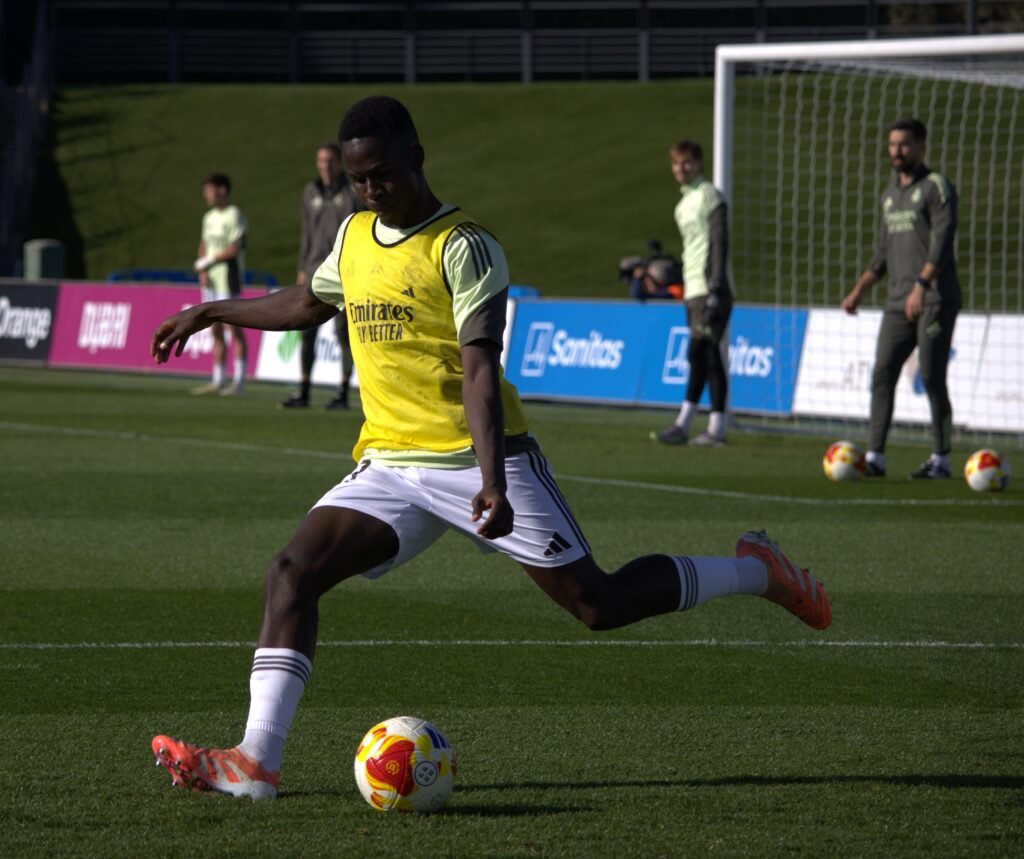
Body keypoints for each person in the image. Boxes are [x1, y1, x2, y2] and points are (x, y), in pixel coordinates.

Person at [148, 96, 832, 800]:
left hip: (482, 460)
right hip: (391, 464)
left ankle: (758, 572)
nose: (372, 189)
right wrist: (210, 310)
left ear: (416, 156)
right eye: (358, 179)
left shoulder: (464, 246)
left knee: (598, 604)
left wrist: (493, 480)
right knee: (291, 570)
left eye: (383, 173)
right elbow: (307, 301)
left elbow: (480, 370)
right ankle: (255, 761)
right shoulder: (353, 236)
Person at [841, 118, 960, 479]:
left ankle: (941, 459)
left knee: (931, 375)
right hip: (897, 302)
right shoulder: (890, 194)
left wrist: (922, 286)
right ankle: (875, 457)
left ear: (921, 146)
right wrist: (860, 289)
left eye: (904, 144)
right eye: (892, 144)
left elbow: (941, 243)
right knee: (882, 373)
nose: (897, 151)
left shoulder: (936, 187)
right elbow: (883, 251)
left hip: (934, 298)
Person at [654, 140, 733, 447]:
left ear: (699, 163)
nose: (681, 168)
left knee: (706, 353)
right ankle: (689, 425)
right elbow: (694, 249)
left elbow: (719, 242)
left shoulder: (709, 195)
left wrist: (716, 286)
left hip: (711, 288)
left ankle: (712, 428)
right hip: (692, 290)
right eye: (676, 163)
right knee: (699, 355)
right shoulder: (682, 205)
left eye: (686, 162)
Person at [280, 142, 363, 410]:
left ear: (340, 163)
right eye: (321, 161)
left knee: (344, 333)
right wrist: (302, 268)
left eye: (330, 160)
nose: (326, 165)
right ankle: (304, 390)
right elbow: (307, 232)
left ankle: (343, 391)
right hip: (315, 270)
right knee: (307, 330)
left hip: (344, 270)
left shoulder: (352, 191)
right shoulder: (310, 192)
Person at [191, 173, 249, 396]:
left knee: (234, 329)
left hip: (228, 279)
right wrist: (203, 269)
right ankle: (218, 379)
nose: (205, 194)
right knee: (214, 330)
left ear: (222, 190)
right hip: (211, 282)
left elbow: (236, 247)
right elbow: (204, 244)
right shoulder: (208, 217)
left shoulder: (235, 215)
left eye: (209, 189)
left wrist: (211, 261)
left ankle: (239, 381)